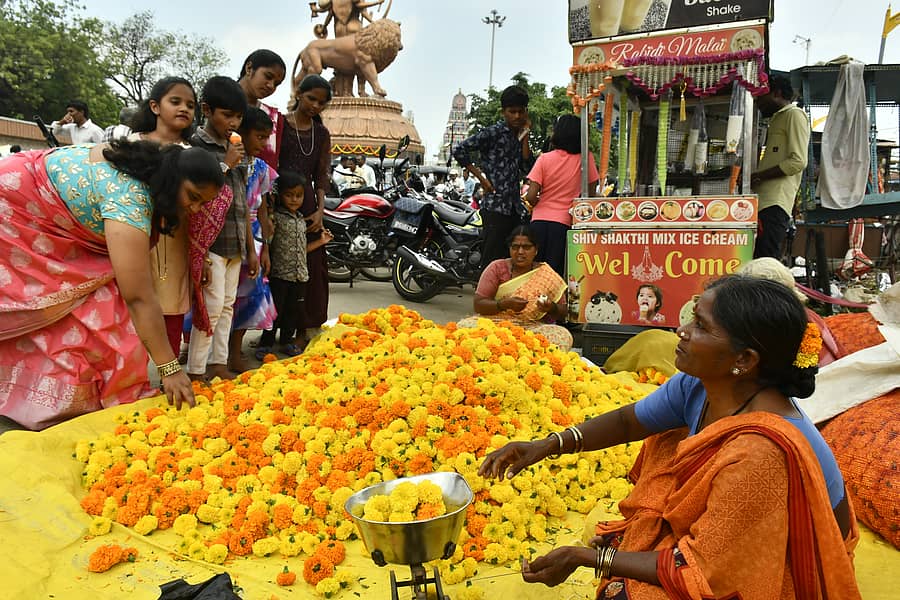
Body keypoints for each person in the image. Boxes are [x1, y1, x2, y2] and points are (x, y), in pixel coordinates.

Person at [479, 275, 860, 599]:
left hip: (788, 560)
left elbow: (704, 570)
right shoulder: (699, 386)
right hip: (733, 528)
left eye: (701, 326)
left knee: (625, 592)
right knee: (665, 444)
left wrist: (585, 558)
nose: (682, 331)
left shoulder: (761, 452)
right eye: (692, 318)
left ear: (743, 360)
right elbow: (631, 421)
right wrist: (548, 445)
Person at [0, 140, 223, 430]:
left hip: (41, 205)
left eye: (202, 203)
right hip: (17, 209)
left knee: (101, 309)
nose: (194, 209)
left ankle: (74, 397)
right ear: (172, 179)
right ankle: (49, 403)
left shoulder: (149, 171)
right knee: (87, 310)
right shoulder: (130, 199)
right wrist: (169, 369)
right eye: (192, 197)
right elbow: (139, 297)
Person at [186, 76, 255, 382]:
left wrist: (251, 249)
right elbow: (202, 191)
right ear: (207, 110)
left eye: (238, 117)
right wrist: (225, 164)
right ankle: (196, 369)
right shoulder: (196, 145)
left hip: (236, 241)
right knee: (210, 308)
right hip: (210, 242)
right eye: (227, 115)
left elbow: (243, 202)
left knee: (227, 305)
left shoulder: (235, 146)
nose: (233, 122)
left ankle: (218, 363)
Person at [130, 77, 199, 357]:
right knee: (130, 302)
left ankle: (165, 379)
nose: (184, 108)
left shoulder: (191, 154)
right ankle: (132, 382)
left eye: (190, 105)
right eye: (176, 101)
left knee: (171, 306)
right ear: (155, 107)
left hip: (175, 239)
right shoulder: (131, 145)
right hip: (132, 234)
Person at [453, 85, 534, 267]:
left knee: (511, 261)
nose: (516, 116)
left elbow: (528, 166)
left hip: (515, 208)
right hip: (495, 207)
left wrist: (526, 135)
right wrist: (482, 179)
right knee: (492, 261)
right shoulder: (493, 133)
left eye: (520, 112)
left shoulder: (519, 135)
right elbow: (459, 150)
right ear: (503, 112)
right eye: (512, 112)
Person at [254, 171, 333, 358]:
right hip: (280, 275)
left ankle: (287, 341)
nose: (294, 200)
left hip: (300, 277)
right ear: (280, 195)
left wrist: (322, 242)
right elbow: (268, 242)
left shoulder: (300, 219)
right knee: (275, 312)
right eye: (289, 195)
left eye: (298, 196)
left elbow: (302, 249)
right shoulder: (276, 219)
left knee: (293, 311)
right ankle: (266, 343)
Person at [278, 75, 333, 340]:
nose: (315, 106)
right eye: (311, 98)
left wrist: (320, 210)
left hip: (308, 202)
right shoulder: (280, 125)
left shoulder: (321, 133)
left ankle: (304, 327)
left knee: (310, 265)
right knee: (276, 266)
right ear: (299, 93)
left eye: (321, 103)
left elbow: (322, 175)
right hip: (278, 198)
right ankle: (272, 328)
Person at [458, 225, 573, 351]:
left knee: (563, 336)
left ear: (536, 250)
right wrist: (503, 305)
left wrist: (551, 307)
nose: (520, 252)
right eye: (515, 247)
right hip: (495, 323)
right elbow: (479, 304)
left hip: (530, 328)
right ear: (509, 249)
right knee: (464, 327)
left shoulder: (546, 274)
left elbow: (564, 313)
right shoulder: (497, 267)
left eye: (527, 247)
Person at [228, 107, 278, 372]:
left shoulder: (262, 170)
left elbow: (263, 208)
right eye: (259, 137)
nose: (263, 144)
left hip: (256, 238)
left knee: (248, 297)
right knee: (223, 297)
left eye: (266, 138)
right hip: (228, 233)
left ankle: (235, 352)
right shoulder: (228, 163)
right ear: (242, 134)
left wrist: (265, 248)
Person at [524, 114, 599, 277]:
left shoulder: (544, 159)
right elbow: (592, 194)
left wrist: (539, 202)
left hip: (538, 221)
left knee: (534, 270)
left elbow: (530, 196)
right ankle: (550, 302)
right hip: (565, 223)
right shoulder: (586, 159)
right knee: (555, 273)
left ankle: (532, 301)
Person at [751, 75, 810, 260]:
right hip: (763, 201)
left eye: (762, 96)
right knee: (759, 258)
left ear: (776, 93)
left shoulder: (794, 115)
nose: (758, 101)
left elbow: (798, 161)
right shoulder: (777, 119)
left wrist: (760, 176)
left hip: (775, 203)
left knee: (766, 260)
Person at [236, 49, 286, 169]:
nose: (271, 86)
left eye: (277, 84)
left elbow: (273, 164)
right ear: (249, 68)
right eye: (268, 77)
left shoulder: (274, 118)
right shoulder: (219, 104)